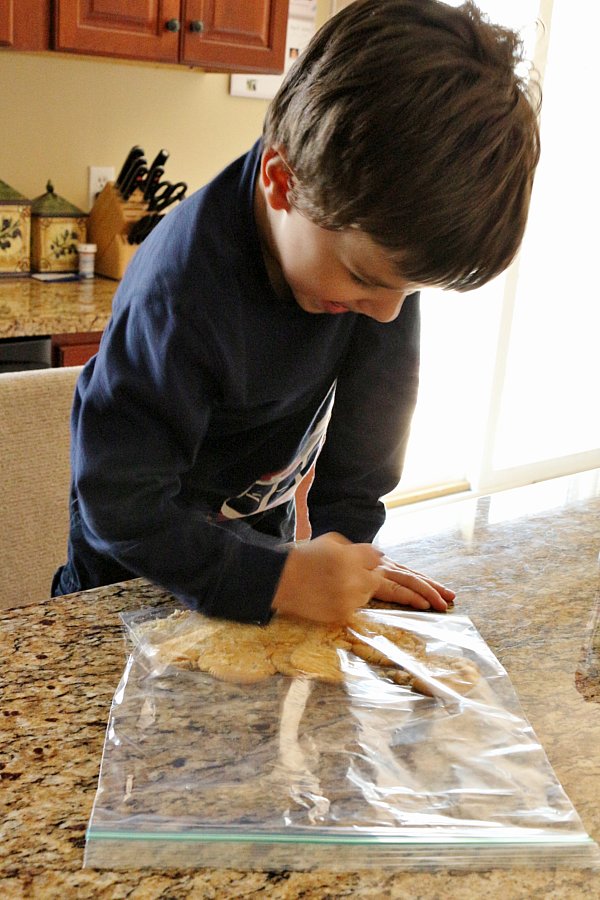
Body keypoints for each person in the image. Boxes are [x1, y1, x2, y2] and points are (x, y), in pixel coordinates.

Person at [52, 0, 540, 625]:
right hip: (130, 573)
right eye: (368, 282)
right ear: (283, 184)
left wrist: (347, 555)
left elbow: (366, 444)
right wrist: (275, 579)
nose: (386, 315)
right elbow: (121, 504)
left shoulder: (371, 266)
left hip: (259, 550)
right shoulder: (179, 294)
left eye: (409, 292)